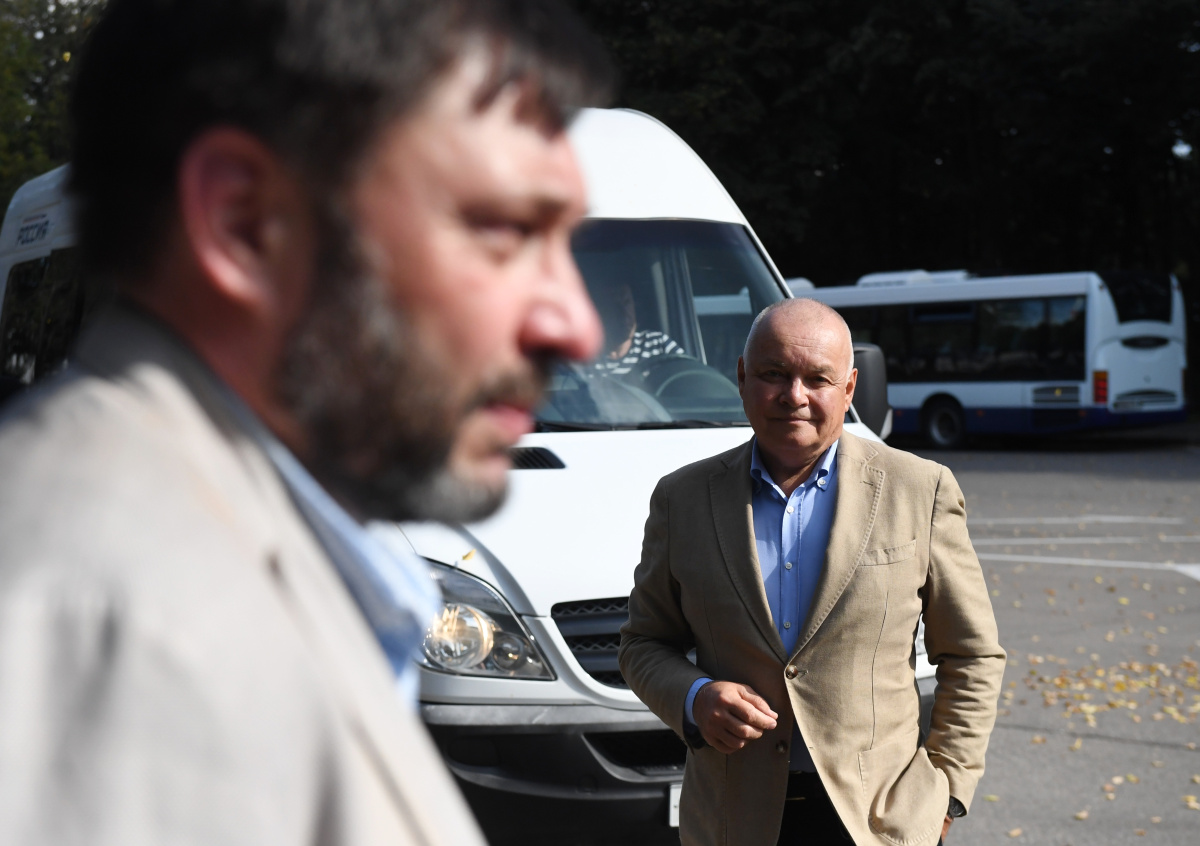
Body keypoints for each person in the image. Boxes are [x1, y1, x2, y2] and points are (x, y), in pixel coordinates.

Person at [0, 1, 610, 844]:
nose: (577, 327)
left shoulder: (210, 558)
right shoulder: (119, 620)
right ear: (246, 223)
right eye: (504, 231)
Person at [619, 298, 1005, 846]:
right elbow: (643, 643)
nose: (794, 396)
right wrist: (695, 696)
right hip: (734, 819)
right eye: (774, 373)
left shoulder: (919, 489)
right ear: (742, 377)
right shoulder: (682, 498)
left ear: (849, 389)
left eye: (817, 378)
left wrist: (947, 791)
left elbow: (972, 654)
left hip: (879, 822)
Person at [592, 282, 686, 377]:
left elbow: (690, 376)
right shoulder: (587, 359)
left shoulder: (658, 344)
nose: (624, 314)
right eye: (615, 305)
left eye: (627, 302)